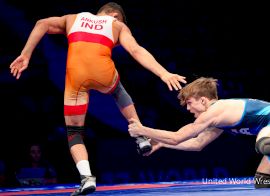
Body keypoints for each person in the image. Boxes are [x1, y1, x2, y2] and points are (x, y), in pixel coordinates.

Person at [9, 2, 186, 195]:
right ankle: (141, 136)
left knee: (74, 132)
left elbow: (41, 23)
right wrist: (164, 74)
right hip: (103, 74)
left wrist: (25, 55)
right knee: (117, 90)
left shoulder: (72, 18)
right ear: (113, 15)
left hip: (75, 78)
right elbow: (136, 50)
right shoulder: (116, 24)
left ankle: (86, 178)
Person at [128, 77, 270, 188]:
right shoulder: (217, 120)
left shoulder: (215, 110)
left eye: (189, 102)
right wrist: (161, 143)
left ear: (204, 100)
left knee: (263, 145)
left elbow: (178, 137)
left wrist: (143, 129)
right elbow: (197, 144)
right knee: (264, 181)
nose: (187, 108)